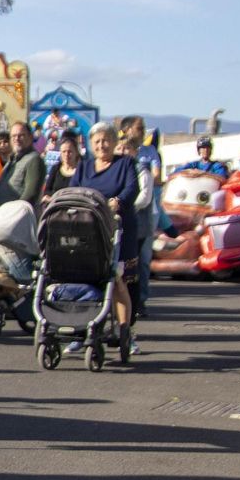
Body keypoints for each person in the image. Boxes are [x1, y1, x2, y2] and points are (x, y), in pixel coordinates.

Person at [71, 121, 140, 345]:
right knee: (85, 280)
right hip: (88, 231)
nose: (102, 145)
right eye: (97, 141)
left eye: (106, 140)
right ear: (91, 144)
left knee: (117, 281)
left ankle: (124, 333)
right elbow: (72, 189)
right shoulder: (84, 167)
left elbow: (132, 189)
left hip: (118, 230)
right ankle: (84, 330)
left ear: (114, 142)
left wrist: (117, 202)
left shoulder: (126, 164)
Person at [119, 116, 162, 314]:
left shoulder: (149, 154)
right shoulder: (117, 163)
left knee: (142, 260)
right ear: (127, 130)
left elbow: (155, 179)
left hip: (143, 215)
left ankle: (140, 300)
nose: (143, 131)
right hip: (121, 217)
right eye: (139, 128)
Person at [0, 122, 46, 211]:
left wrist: (14, 214)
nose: (17, 139)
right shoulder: (11, 161)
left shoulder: (34, 160)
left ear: (30, 137)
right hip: (2, 218)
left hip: (17, 219)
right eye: (13, 136)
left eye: (21, 135)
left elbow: (30, 195)